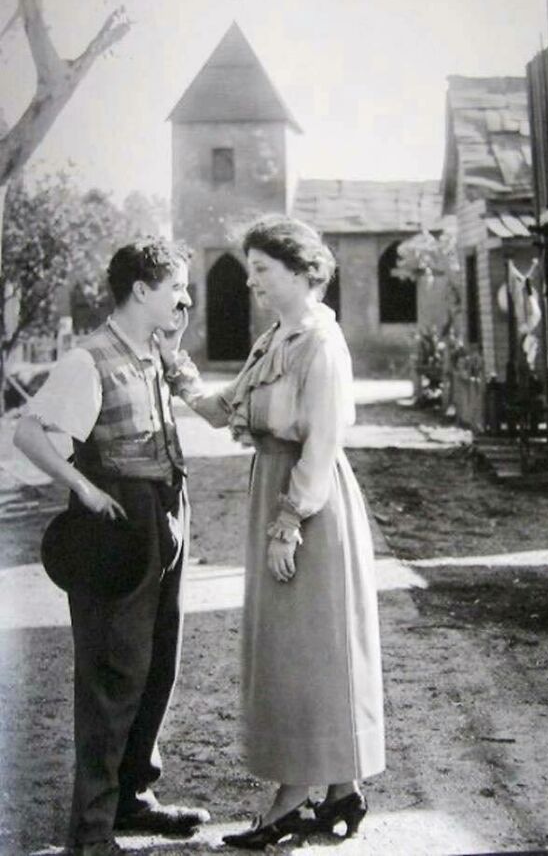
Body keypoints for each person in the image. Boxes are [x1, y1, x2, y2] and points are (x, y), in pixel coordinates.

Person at [162, 215, 385, 849]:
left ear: (301, 271)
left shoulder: (321, 343)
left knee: (313, 644)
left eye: (263, 269)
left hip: (310, 504)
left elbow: (322, 442)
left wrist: (290, 522)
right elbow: (224, 409)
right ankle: (340, 790)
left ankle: (290, 798)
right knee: (294, 647)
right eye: (253, 269)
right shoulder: (273, 340)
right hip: (274, 487)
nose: (253, 281)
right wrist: (175, 368)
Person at [14, 238, 210, 856]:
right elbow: (28, 433)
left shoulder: (152, 349)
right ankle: (91, 830)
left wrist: (174, 351)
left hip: (165, 511)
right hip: (117, 523)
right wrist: (82, 487)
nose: (184, 297)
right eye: (176, 286)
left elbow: (193, 398)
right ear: (142, 290)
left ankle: (134, 796)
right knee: (111, 671)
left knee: (157, 663)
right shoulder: (86, 359)